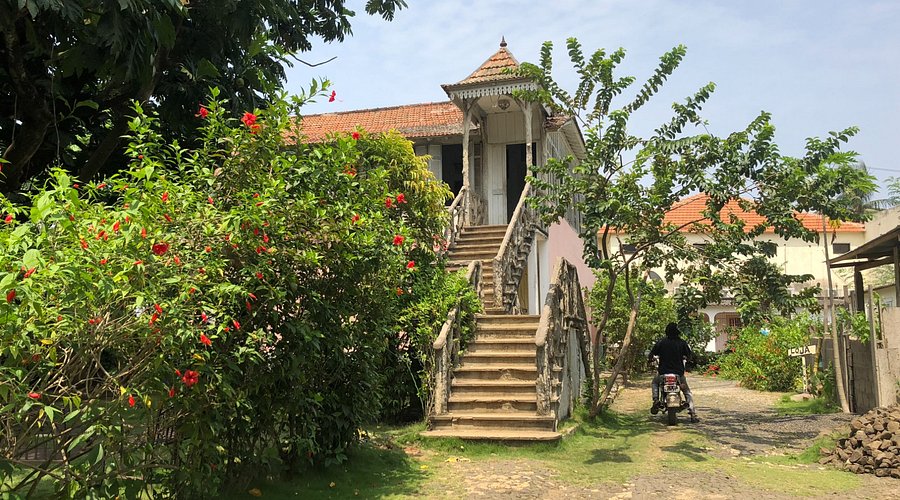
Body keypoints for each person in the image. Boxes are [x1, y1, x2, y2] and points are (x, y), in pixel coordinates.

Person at [649, 322, 699, 423]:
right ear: (677, 332)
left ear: (666, 332)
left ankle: (656, 400)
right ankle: (692, 414)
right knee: (687, 392)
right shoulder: (682, 343)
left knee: (655, 383)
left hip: (663, 373)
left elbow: (651, 354)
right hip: (678, 374)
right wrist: (687, 359)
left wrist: (650, 360)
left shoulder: (661, 342)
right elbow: (689, 356)